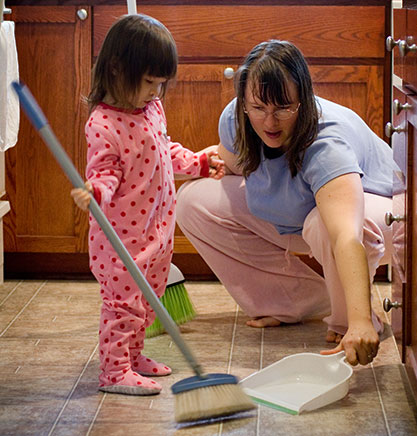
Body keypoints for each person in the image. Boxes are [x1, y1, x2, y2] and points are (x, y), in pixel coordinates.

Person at [176, 40, 398, 366]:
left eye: (282, 108)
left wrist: (360, 320)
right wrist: (159, 171)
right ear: (244, 103)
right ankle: (293, 303)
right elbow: (227, 163)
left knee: (322, 223)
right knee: (194, 199)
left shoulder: (325, 142)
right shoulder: (239, 118)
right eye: (258, 108)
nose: (269, 123)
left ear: (303, 100)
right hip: (306, 216)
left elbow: (345, 235)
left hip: (388, 216)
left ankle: (348, 315)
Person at [71, 14, 224, 395]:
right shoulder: (103, 124)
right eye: (150, 83)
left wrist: (198, 163)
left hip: (157, 232)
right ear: (117, 70)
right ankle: (114, 371)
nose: (156, 92)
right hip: (121, 241)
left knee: (149, 300)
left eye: (161, 84)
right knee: (124, 305)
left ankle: (134, 356)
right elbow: (105, 172)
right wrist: (95, 193)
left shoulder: (151, 110)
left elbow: (163, 150)